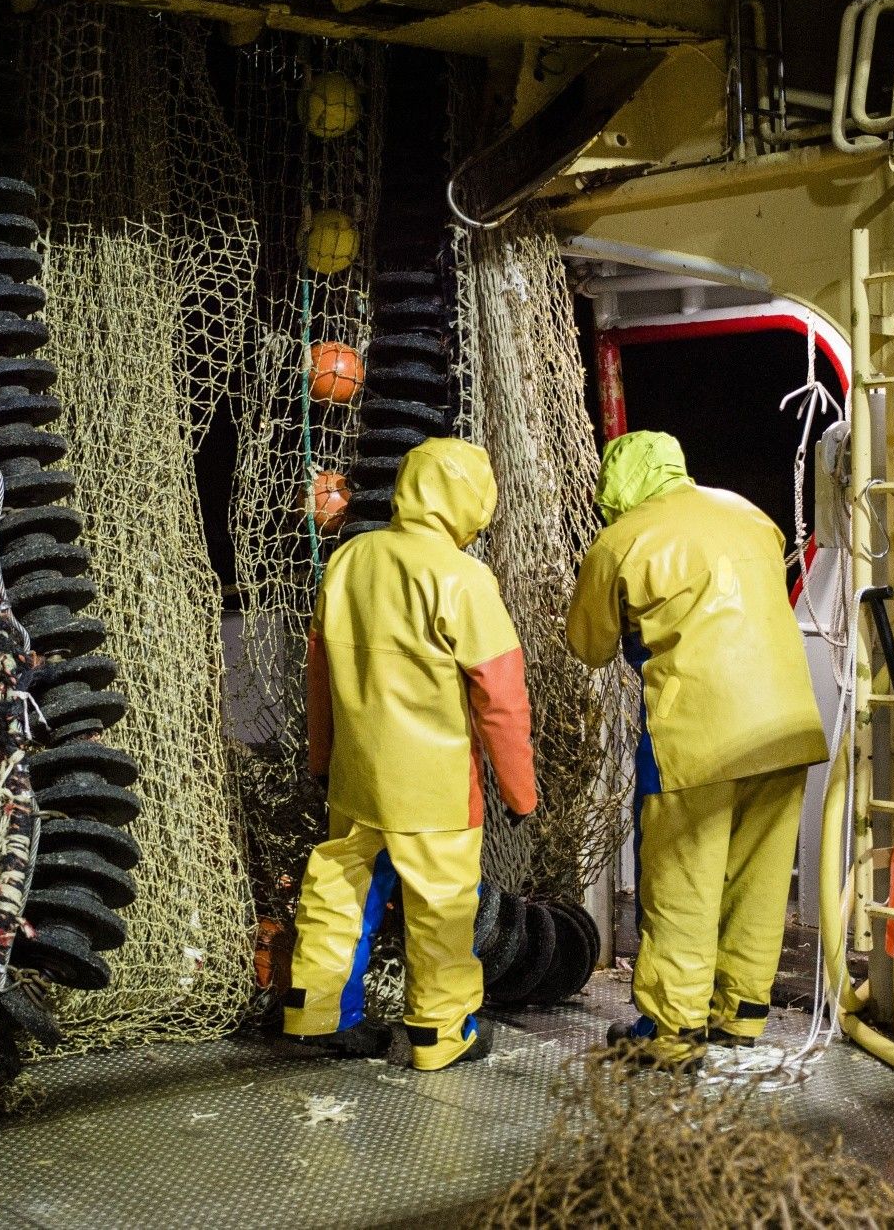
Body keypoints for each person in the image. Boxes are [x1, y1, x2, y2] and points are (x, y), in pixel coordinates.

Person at [565, 430, 828, 1069]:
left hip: (698, 733)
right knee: (759, 878)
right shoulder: (750, 516)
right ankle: (740, 1014)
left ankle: (672, 1033)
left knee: (682, 877)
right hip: (787, 725)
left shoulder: (623, 539)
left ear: (616, 488)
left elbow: (588, 644)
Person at [281, 437, 539, 1071]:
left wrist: (322, 758)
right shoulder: (464, 578)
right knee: (442, 908)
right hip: (436, 786)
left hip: (357, 777)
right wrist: (520, 792)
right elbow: (500, 699)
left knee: (338, 891)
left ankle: (315, 1017)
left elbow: (319, 675)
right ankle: (438, 1036)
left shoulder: (348, 561)